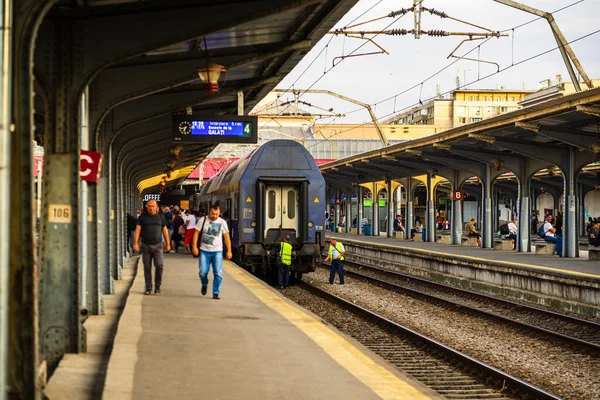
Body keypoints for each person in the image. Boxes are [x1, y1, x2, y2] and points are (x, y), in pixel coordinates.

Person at [192, 204, 232, 300]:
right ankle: (204, 284)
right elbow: (196, 233)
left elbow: (226, 237)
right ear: (209, 212)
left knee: (218, 273)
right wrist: (194, 247)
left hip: (217, 251)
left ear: (219, 213)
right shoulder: (203, 220)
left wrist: (229, 251)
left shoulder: (222, 222)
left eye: (216, 214)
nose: (214, 216)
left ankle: (215, 292)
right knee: (203, 272)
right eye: (212, 214)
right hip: (204, 251)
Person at [133, 199, 170, 295]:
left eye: (153, 206)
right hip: (146, 245)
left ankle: (158, 286)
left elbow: (165, 230)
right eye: (149, 206)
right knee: (147, 268)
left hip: (158, 245)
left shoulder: (161, 217)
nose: (151, 208)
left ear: (157, 207)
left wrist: (168, 243)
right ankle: (148, 288)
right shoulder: (142, 218)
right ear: (146, 207)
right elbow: (137, 230)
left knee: (159, 265)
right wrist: (135, 243)